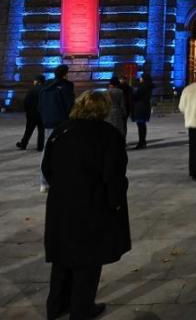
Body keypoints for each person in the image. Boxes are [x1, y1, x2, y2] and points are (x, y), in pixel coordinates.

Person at [42, 90, 130, 320]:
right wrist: (116, 204)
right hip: (92, 206)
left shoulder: (61, 131)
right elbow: (114, 176)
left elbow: (46, 168)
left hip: (61, 206)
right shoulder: (108, 135)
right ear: (103, 109)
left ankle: (56, 306)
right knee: (88, 261)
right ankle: (82, 310)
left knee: (62, 258)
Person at [38, 64, 75, 193]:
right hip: (62, 123)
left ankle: (44, 182)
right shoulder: (65, 87)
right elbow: (70, 106)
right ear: (65, 74)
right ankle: (64, 179)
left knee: (47, 150)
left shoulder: (45, 88)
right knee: (65, 151)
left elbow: (40, 105)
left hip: (48, 122)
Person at [17, 74, 46, 151]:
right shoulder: (45, 89)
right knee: (41, 131)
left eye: (35, 80)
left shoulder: (32, 90)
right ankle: (40, 147)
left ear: (37, 81)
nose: (34, 81)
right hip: (42, 114)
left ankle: (23, 144)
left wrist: (27, 111)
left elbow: (26, 102)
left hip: (32, 114)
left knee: (28, 130)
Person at [131, 73, 154, 149]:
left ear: (144, 79)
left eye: (141, 78)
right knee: (142, 125)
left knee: (140, 126)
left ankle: (141, 142)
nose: (140, 79)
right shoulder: (148, 86)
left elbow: (136, 96)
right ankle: (142, 141)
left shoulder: (143, 87)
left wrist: (133, 93)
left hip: (140, 107)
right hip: (145, 107)